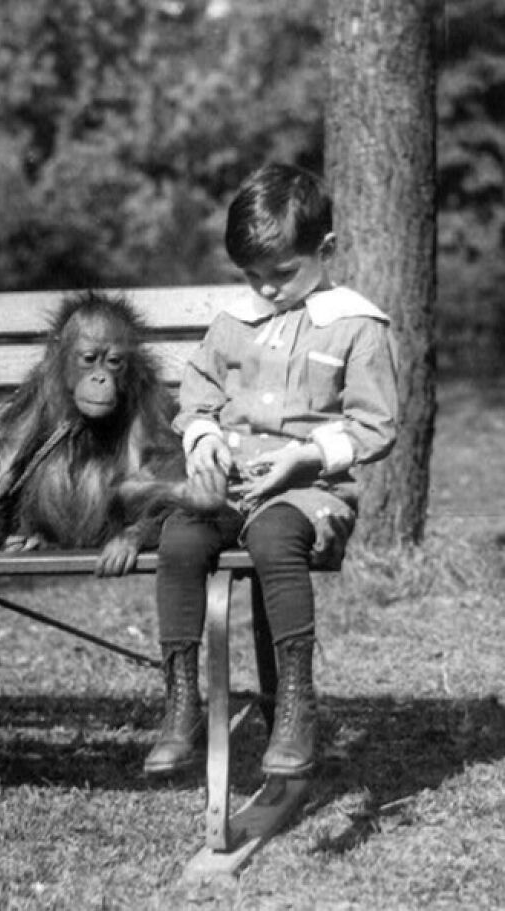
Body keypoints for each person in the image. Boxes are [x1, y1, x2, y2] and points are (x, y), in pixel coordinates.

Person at [143, 161, 398, 778]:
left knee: (273, 538)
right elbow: (197, 394)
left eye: (281, 274)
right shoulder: (235, 323)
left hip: (311, 490)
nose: (267, 290)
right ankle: (182, 703)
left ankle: (294, 706)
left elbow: (377, 426)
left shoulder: (356, 327)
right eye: (252, 277)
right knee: (180, 537)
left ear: (327, 249)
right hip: (233, 486)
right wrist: (202, 435)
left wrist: (308, 455)